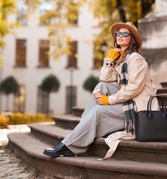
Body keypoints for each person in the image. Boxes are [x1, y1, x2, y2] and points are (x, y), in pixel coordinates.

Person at [43, 21, 158, 158]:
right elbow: (105, 78)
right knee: (101, 86)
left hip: (138, 108)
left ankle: (68, 145)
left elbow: (133, 88)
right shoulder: (121, 60)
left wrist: (108, 100)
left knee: (99, 110)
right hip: (127, 103)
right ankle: (81, 131)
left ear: (131, 38)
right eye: (118, 33)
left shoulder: (136, 59)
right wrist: (110, 60)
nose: (120, 36)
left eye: (124, 33)